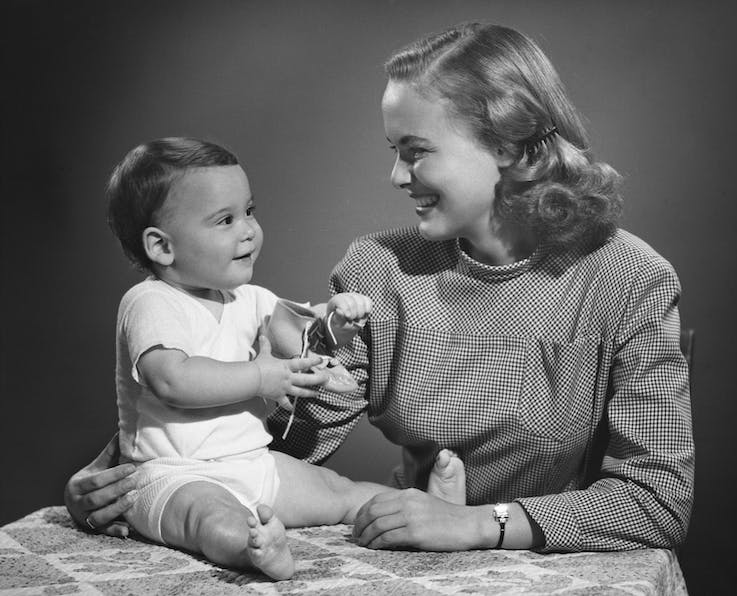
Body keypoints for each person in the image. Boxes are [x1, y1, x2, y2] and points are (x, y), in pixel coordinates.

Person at [65, 23, 694, 555]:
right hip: (413, 551)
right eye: (394, 150)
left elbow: (658, 502)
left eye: (416, 152)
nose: (396, 175)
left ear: (513, 149)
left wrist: (479, 524)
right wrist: (131, 473)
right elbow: (289, 446)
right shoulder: (377, 269)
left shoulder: (632, 280)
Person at [80, 136, 465, 580]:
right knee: (209, 518)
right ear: (162, 247)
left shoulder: (250, 298)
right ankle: (254, 550)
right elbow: (173, 379)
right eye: (224, 220)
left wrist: (335, 323)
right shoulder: (150, 302)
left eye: (249, 211)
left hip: (252, 461)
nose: (248, 229)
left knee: (339, 490)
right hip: (173, 474)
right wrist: (261, 376)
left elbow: (301, 340)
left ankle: (429, 511)